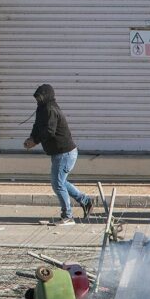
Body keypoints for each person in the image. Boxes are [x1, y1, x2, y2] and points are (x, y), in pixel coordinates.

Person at [25, 84, 93, 226]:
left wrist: (35, 141)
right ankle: (85, 201)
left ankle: (67, 216)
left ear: (47, 96)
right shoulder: (42, 109)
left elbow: (50, 131)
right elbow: (37, 126)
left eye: (40, 97)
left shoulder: (51, 109)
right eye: (36, 98)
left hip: (65, 153)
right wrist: (31, 137)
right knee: (60, 182)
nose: (38, 100)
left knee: (57, 183)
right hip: (60, 153)